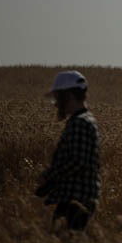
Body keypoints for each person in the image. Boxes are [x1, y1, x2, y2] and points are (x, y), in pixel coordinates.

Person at [35, 71, 101, 232]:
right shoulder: (84, 120)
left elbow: (77, 162)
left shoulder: (80, 123)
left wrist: (50, 177)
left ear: (68, 95)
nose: (56, 104)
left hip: (76, 200)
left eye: (57, 97)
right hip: (77, 198)